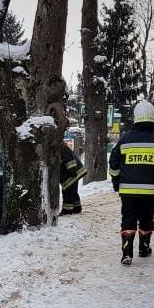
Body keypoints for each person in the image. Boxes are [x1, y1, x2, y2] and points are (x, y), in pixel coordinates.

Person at [108, 101, 154, 265]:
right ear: (153, 116)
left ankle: (127, 253)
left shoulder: (125, 139)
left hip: (127, 191)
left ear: (136, 117)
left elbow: (113, 161)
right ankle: (144, 248)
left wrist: (116, 180)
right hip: (151, 191)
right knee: (146, 219)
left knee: (128, 219)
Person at [45, 77, 86, 215]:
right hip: (71, 174)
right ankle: (77, 207)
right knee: (72, 191)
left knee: (68, 192)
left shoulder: (60, 147)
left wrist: (72, 171)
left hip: (72, 174)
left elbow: (69, 159)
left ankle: (67, 210)